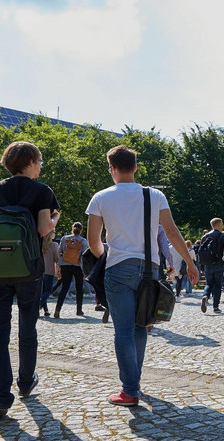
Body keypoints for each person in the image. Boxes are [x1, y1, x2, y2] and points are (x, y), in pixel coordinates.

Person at [86, 145, 198, 407]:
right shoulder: (154, 195)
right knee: (140, 326)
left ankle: (129, 390)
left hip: (118, 268)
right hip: (149, 268)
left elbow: (93, 242)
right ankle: (133, 384)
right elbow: (171, 232)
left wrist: (108, 255)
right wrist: (190, 263)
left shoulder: (101, 198)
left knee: (123, 330)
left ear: (112, 168)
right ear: (136, 167)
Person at [0, 141, 60, 419]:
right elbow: (44, 228)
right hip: (29, 270)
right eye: (40, 161)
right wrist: (56, 219)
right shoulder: (42, 191)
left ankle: (0, 398)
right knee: (27, 328)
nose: (41, 166)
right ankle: (25, 382)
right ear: (31, 162)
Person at [54, 222, 89, 317]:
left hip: (65, 265)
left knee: (64, 288)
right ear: (81, 230)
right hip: (78, 267)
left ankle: (57, 309)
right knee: (79, 289)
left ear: (72, 229)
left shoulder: (65, 239)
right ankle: (79, 310)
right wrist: (85, 271)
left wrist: (59, 265)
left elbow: (59, 252)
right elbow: (84, 257)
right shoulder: (83, 241)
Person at [200, 218, 224, 314]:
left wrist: (202, 266)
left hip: (207, 264)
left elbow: (201, 252)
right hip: (219, 264)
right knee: (217, 285)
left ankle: (205, 296)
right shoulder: (223, 236)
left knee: (209, 284)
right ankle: (215, 306)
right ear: (219, 225)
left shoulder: (205, 236)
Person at [39, 230, 60, 317]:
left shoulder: (40, 244)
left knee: (42, 291)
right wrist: (58, 270)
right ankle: (38, 305)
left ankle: (46, 310)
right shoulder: (54, 245)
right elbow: (57, 259)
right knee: (48, 291)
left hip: (39, 271)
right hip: (49, 271)